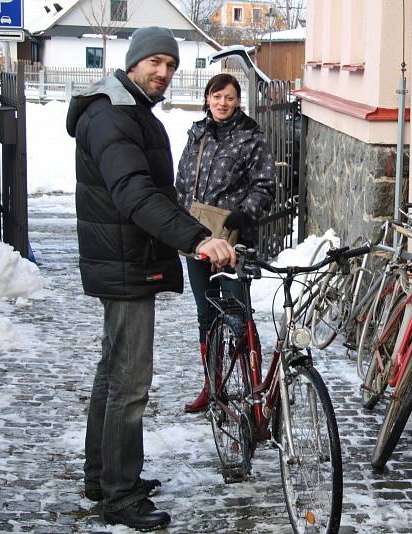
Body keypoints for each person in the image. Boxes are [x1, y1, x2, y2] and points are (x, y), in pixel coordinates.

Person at [65, 27, 236, 531]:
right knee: (129, 382)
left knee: (112, 371)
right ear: (134, 61)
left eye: (172, 65)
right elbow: (135, 194)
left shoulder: (128, 109)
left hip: (125, 258)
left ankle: (103, 476)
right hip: (125, 262)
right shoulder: (113, 115)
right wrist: (197, 239)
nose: (163, 73)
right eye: (156, 62)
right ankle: (120, 494)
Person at [175, 73, 275, 413]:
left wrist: (243, 215)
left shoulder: (251, 138)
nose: (222, 103)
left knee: (239, 316)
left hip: (234, 241)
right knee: (207, 314)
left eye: (229, 98)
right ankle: (212, 385)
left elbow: (265, 186)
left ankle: (255, 394)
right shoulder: (197, 135)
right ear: (207, 98)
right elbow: (182, 182)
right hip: (198, 237)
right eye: (217, 96)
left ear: (237, 102)